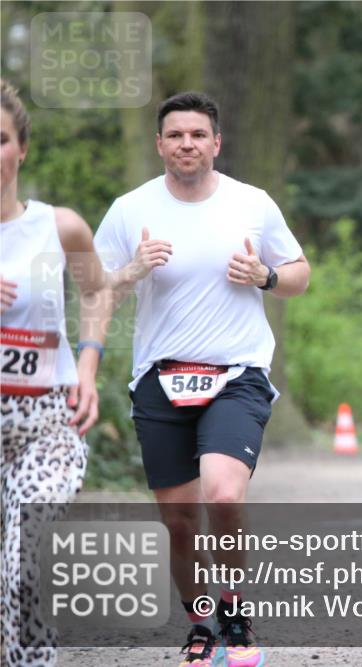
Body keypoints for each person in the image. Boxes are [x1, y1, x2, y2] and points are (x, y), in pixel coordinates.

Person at [94, 91, 310, 667]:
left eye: (197, 134)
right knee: (180, 521)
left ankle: (233, 607)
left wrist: (265, 275)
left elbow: (300, 275)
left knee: (222, 493)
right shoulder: (129, 209)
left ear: (216, 142)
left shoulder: (252, 203)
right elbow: (93, 287)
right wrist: (131, 271)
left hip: (236, 373)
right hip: (160, 380)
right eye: (175, 135)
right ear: (160, 144)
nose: (186, 143)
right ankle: (199, 625)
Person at [1, 79, 110, 667]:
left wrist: (87, 368)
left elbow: (97, 294)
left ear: (22, 149)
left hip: (45, 422)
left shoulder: (59, 226)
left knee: (28, 557)